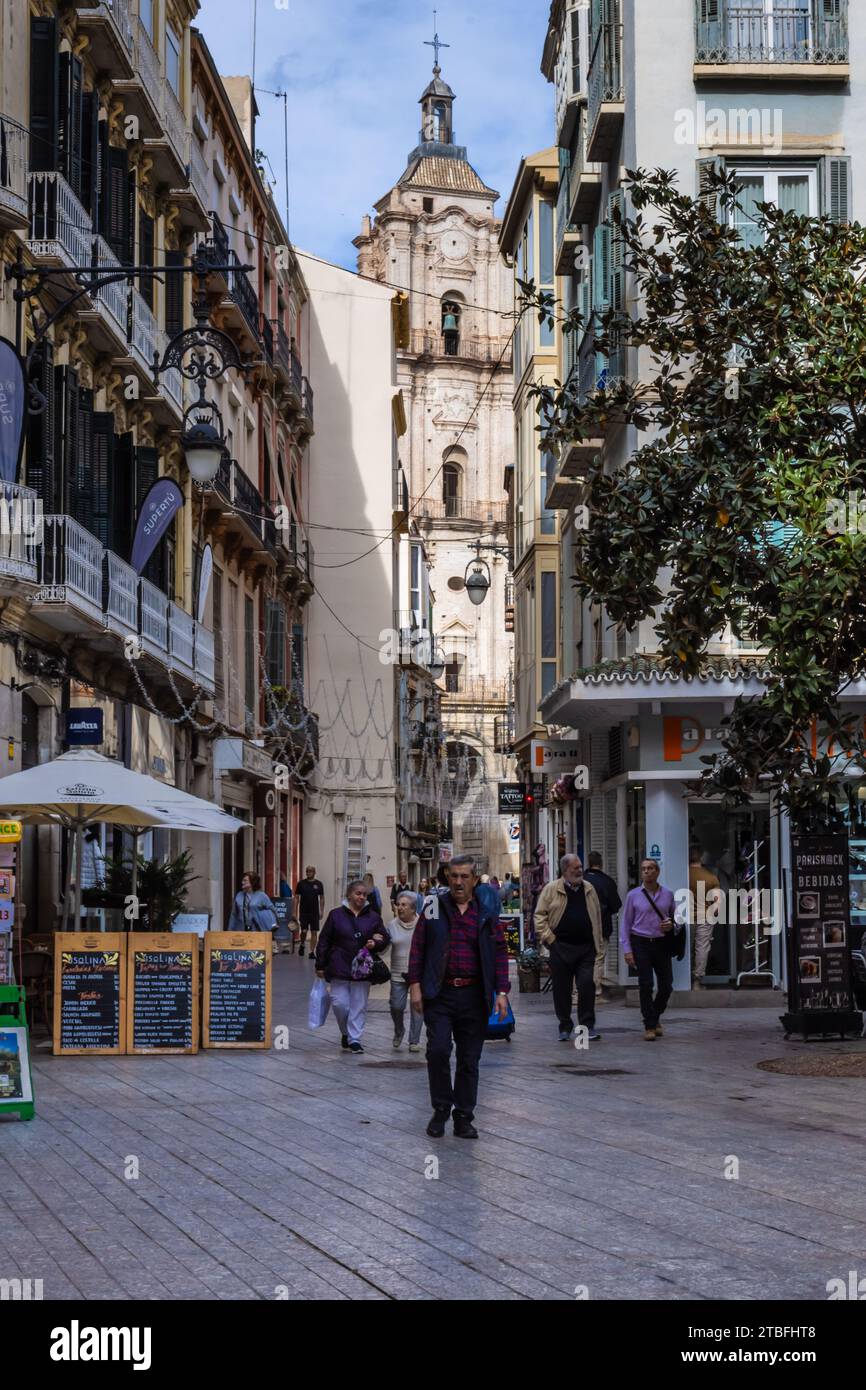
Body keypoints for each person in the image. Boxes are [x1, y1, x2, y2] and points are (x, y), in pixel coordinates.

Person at [408, 855, 510, 1139]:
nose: (458, 882)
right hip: (440, 994)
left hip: (474, 995)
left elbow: (499, 952)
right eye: (453, 876)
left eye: (464, 877)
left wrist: (501, 992)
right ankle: (441, 1109)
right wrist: (415, 985)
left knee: (469, 1059)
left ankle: (464, 1116)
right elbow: (418, 947)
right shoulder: (432, 907)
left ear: (475, 880)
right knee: (438, 1051)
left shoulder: (486, 912)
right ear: (446, 878)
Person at [535, 855, 604, 1042]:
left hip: (586, 948)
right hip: (561, 947)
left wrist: (598, 944)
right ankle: (564, 1025)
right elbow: (539, 917)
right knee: (562, 989)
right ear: (565, 870)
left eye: (581, 867)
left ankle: (587, 1026)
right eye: (575, 868)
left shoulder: (589, 889)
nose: (580, 870)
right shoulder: (551, 889)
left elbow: (596, 917)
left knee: (586, 985)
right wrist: (551, 940)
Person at [315, 880, 388, 1054]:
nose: (362, 897)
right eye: (358, 893)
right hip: (339, 964)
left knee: (359, 1004)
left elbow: (383, 937)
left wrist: (376, 942)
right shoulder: (336, 915)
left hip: (363, 967)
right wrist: (320, 964)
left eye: (364, 894)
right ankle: (346, 1032)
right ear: (349, 894)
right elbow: (324, 940)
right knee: (340, 1004)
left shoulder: (374, 917)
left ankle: (355, 1039)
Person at [621, 858, 682, 1040]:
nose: (647, 871)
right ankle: (649, 1025)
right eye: (643, 869)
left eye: (650, 868)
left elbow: (677, 919)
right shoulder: (633, 895)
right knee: (646, 984)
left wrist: (671, 925)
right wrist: (627, 950)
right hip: (641, 943)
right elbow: (625, 924)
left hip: (661, 943)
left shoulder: (668, 895)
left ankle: (654, 1016)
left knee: (666, 985)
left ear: (657, 872)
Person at [388, 891, 424, 1051]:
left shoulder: (422, 924)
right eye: (398, 904)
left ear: (413, 909)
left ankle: (414, 1040)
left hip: (418, 972)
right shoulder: (392, 925)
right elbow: (384, 949)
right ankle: (399, 1030)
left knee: (417, 1005)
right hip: (397, 971)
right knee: (396, 1006)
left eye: (404, 905)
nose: (400, 908)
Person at [584, 851, 623, 999]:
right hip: (602, 927)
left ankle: (581, 990)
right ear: (601, 863)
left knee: (583, 959)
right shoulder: (607, 881)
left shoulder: (581, 880)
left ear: (588, 863)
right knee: (598, 959)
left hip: (582, 927)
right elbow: (616, 905)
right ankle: (595, 991)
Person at [689, 844, 721, 988]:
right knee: (701, 948)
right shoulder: (711, 877)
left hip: (685, 917)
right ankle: (697, 982)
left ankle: (683, 979)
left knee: (686, 948)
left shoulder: (681, 874)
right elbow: (717, 904)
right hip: (705, 917)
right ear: (701, 856)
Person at [294, 866, 325, 960]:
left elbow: (322, 898)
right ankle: (302, 944)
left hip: (314, 912)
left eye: (310, 871)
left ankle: (311, 951)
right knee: (303, 931)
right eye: (307, 871)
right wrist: (294, 912)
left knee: (314, 932)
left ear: (314, 872)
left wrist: (321, 911)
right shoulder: (301, 883)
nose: (308, 873)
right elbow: (296, 898)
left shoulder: (319, 884)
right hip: (304, 911)